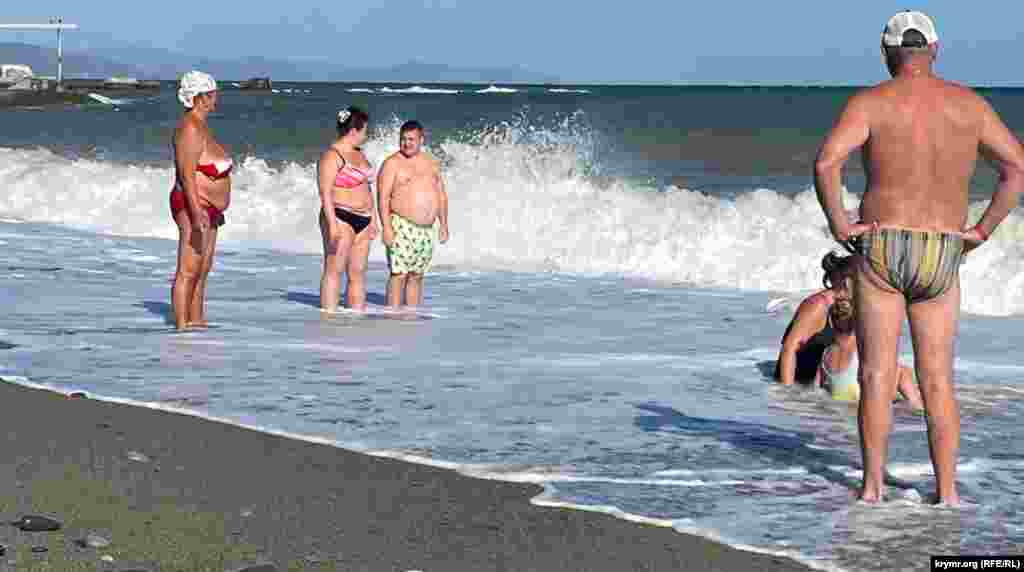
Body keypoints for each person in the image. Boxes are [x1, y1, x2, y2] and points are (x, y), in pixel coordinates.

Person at [814, 10, 1024, 504]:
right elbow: (1015, 166)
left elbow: (827, 162)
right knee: (937, 379)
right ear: (935, 50)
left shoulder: (871, 102)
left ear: (887, 53)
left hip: (884, 245)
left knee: (876, 373)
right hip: (943, 247)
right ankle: (947, 493)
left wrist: (840, 225)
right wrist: (982, 231)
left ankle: (871, 489)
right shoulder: (968, 105)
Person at [170, 71, 233, 330]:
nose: (215, 98)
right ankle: (182, 324)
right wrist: (196, 213)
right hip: (192, 204)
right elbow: (186, 175)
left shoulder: (201, 125)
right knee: (189, 267)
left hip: (210, 207)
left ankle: (196, 319)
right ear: (198, 98)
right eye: (211, 94)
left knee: (203, 267)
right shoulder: (190, 128)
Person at [376, 121, 450, 307]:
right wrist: (386, 228)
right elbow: (383, 198)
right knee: (399, 274)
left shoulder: (431, 163)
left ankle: (411, 316)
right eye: (403, 139)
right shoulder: (392, 164)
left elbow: (441, 195)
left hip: (426, 230)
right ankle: (392, 316)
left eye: (411, 139)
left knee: (417, 275)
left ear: (421, 140)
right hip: (401, 225)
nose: (406, 143)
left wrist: (444, 225)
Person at [317, 107, 378, 312]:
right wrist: (332, 225)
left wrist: (374, 220)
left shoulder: (359, 154)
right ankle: (328, 318)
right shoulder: (332, 155)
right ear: (354, 130)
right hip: (340, 215)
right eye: (364, 130)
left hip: (364, 218)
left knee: (358, 272)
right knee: (334, 269)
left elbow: (368, 188)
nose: (365, 135)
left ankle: (356, 319)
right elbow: (324, 192)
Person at [815, 296, 924, 410]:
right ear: (858, 322)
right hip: (864, 405)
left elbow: (819, 388)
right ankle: (918, 408)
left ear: (831, 323)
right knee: (902, 371)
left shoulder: (825, 354)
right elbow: (890, 372)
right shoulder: (863, 348)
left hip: (841, 404)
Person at [774, 252, 855, 385]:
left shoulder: (857, 305)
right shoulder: (818, 305)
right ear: (847, 280)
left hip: (821, 384)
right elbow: (789, 349)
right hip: (798, 382)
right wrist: (786, 394)